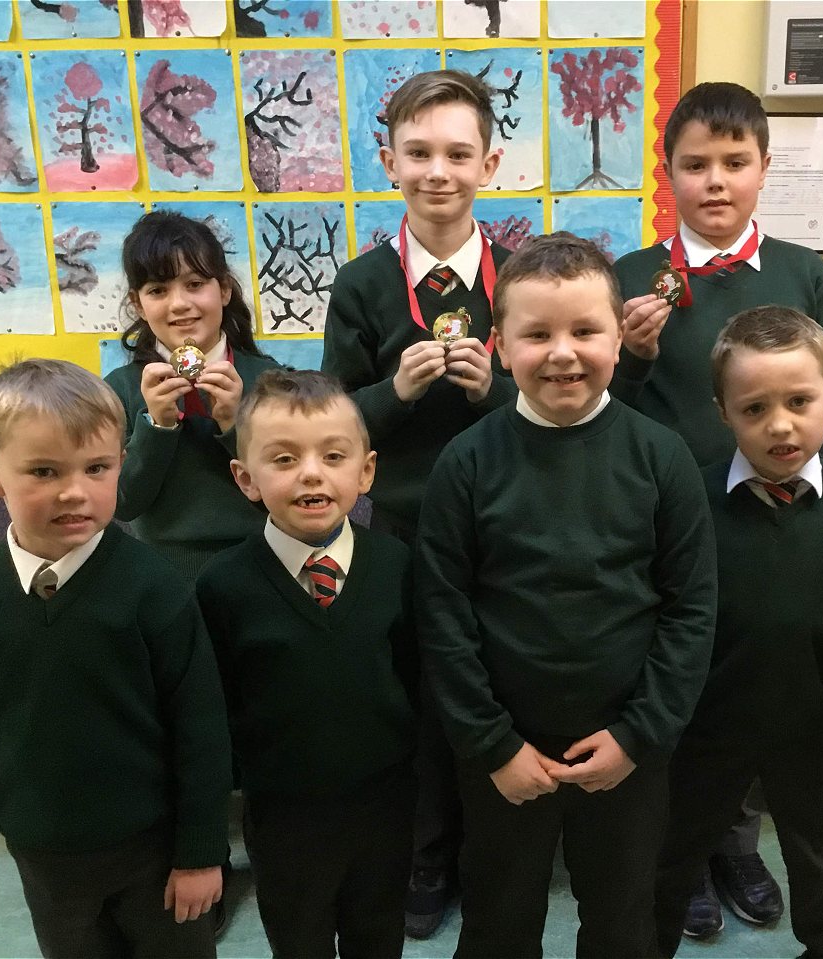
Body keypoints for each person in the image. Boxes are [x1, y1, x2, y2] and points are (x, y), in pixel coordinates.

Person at [612, 79, 823, 937]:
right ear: (669, 173)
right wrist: (634, 357)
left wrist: (804, 498)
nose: (716, 181)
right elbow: (605, 413)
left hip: (782, 517)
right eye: (696, 165)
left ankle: (738, 850)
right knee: (700, 693)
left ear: (764, 167)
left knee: (775, 682)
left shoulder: (803, 273)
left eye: (734, 162)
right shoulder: (632, 278)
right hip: (674, 528)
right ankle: (692, 855)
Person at [416, 233, 717, 956]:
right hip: (503, 748)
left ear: (619, 339)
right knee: (497, 915)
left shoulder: (661, 456)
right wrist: (492, 744)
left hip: (626, 745)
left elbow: (691, 608)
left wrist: (639, 735)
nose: (563, 353)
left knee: (621, 916)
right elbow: (442, 613)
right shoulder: (466, 462)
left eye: (585, 331)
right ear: (499, 346)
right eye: (537, 334)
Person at [0, 359, 231, 959]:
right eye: (44, 471)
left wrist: (201, 854)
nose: (75, 491)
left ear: (121, 462)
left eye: (97, 468)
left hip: (154, 847)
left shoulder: (156, 588)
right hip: (45, 856)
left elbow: (201, 729)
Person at [322, 68, 516, 938]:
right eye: (419, 152)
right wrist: (394, 391)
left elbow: (558, 407)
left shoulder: (519, 277)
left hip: (508, 521)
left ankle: (494, 850)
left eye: (458, 154)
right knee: (423, 694)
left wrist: (491, 390)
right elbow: (332, 424)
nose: (439, 171)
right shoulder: (363, 285)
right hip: (403, 526)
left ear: (490, 165)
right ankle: (427, 853)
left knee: (499, 683)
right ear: (389, 161)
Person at [653, 307, 823, 958]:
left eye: (799, 401)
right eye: (754, 408)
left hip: (807, 718)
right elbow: (669, 610)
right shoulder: (691, 499)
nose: (780, 424)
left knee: (813, 841)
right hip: (708, 721)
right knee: (677, 846)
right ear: (723, 413)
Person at [197, 370, 418, 957]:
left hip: (385, 809)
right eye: (284, 459)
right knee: (298, 942)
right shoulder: (221, 585)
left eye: (333, 456)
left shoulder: (398, 565)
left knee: (379, 937)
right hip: (283, 817)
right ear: (246, 478)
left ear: (366, 472)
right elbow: (212, 714)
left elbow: (420, 682)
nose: (312, 473)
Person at [105, 210, 282, 583]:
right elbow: (122, 504)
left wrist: (235, 424)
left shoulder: (271, 382)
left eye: (195, 284)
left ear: (224, 289)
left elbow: (291, 492)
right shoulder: (119, 389)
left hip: (262, 569)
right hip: (161, 577)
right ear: (138, 304)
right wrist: (157, 426)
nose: (179, 304)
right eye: (158, 290)